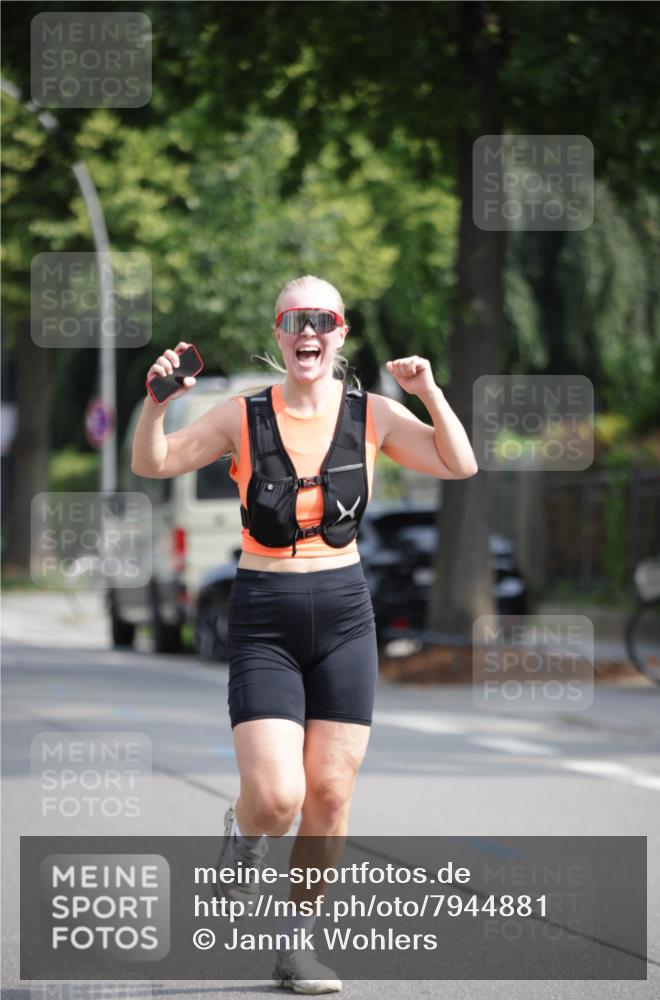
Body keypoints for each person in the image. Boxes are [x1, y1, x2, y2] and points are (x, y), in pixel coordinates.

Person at [131, 274, 478, 994]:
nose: (308, 331)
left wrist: (429, 393)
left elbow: (459, 462)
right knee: (277, 796)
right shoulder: (241, 416)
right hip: (265, 613)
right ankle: (245, 832)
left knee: (329, 794)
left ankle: (296, 946)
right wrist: (154, 405)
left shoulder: (373, 414)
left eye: (321, 319)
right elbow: (152, 462)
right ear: (279, 335)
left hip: (345, 612)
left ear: (340, 333)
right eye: (294, 321)